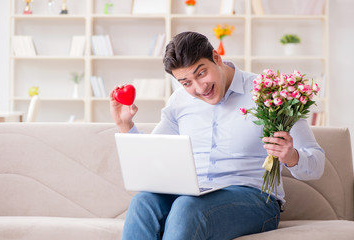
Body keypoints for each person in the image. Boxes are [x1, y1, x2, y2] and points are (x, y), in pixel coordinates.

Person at [110, 31, 325, 240]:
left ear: (216, 57)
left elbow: (316, 164)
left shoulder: (269, 92)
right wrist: (126, 125)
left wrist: (291, 157)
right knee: (143, 203)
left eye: (201, 73)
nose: (199, 87)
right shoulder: (178, 102)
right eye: (186, 83)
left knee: (188, 208)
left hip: (254, 198)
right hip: (193, 194)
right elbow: (153, 158)